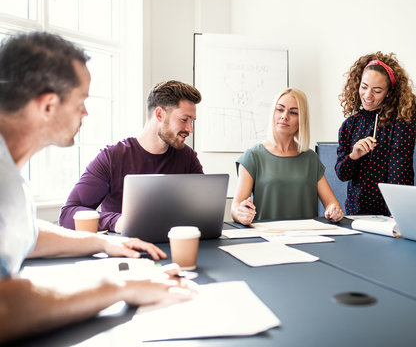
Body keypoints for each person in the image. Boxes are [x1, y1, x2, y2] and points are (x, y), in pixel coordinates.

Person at [0, 31, 197, 343]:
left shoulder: (9, 173)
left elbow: (26, 234)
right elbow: (5, 307)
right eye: (81, 102)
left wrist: (105, 244)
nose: (86, 113)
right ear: (49, 105)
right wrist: (121, 287)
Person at [59, 80, 203, 233]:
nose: (190, 129)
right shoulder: (111, 157)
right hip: (127, 249)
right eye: (184, 120)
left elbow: (203, 207)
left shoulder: (187, 157)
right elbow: (68, 214)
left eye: (192, 121)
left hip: (176, 244)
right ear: (160, 114)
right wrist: (116, 221)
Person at [231, 87, 344, 225]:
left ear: (301, 120)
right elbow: (235, 207)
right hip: (266, 239)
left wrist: (334, 211)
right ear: (273, 113)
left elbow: (332, 204)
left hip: (307, 237)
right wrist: (241, 213)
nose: (285, 116)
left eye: (293, 112)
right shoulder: (253, 156)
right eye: (280, 109)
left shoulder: (310, 158)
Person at [335, 51, 416, 216]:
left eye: (377, 90)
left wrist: (396, 213)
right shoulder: (349, 125)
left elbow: (399, 168)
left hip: (391, 212)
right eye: (364, 87)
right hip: (357, 213)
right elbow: (342, 174)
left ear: (389, 92)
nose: (368, 95)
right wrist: (354, 155)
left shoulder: (402, 118)